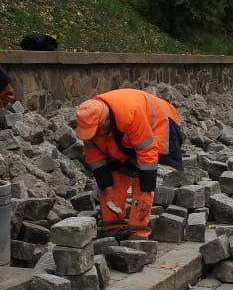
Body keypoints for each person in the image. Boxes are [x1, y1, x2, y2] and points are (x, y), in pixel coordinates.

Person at [75, 89, 183, 239]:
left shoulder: (131, 115)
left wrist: (146, 192)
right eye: (93, 132)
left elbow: (147, 156)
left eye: (98, 130)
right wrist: (107, 188)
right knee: (115, 170)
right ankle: (113, 228)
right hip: (123, 130)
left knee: (141, 171)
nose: (95, 134)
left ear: (106, 119)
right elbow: (96, 159)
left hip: (160, 122)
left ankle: (138, 231)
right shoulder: (89, 123)